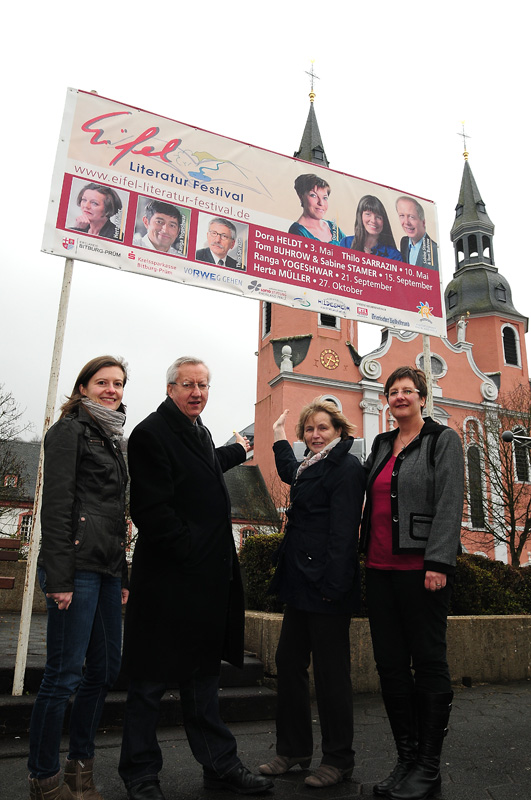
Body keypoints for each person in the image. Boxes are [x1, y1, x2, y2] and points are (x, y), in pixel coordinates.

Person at [118, 357, 273, 800]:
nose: (197, 392)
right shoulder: (150, 433)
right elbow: (152, 512)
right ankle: (141, 775)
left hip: (205, 585)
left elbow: (204, 466)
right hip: (169, 582)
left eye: (203, 385)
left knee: (203, 681)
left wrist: (239, 451)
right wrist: (192, 552)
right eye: (188, 385)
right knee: (148, 685)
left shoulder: (200, 431)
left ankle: (220, 765)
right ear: (170, 389)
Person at [28, 356, 129, 800]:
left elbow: (116, 514)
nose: (112, 390)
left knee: (105, 668)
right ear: (83, 387)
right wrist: (59, 579)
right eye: (103, 382)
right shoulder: (69, 430)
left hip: (107, 568)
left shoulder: (112, 436)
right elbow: (56, 506)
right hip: (76, 570)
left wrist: (123, 572)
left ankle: (80, 767)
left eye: (119, 383)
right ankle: (44, 777)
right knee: (63, 674)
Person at [359, 366, 464, 800]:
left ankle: (428, 766)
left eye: (408, 391)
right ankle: (405, 759)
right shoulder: (383, 444)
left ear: (423, 397)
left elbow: (450, 500)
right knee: (390, 665)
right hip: (379, 571)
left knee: (429, 663)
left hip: (422, 572)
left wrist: (438, 561)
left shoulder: (442, 440)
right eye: (394, 391)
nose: (400, 397)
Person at [259, 398, 366, 788]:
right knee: (288, 662)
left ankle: (338, 759)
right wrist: (277, 438)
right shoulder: (309, 465)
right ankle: (294, 750)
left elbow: (344, 533)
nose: (315, 435)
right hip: (300, 580)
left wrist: (334, 588)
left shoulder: (347, 467)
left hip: (327, 584)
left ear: (339, 431)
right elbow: (290, 472)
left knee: (330, 673)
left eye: (323, 428)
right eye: (309, 429)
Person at [340, 195, 402, 260]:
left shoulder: (394, 255)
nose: (373, 221)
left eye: (378, 217)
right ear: (360, 217)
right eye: (368, 214)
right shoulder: (346, 243)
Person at [289, 174, 344, 244]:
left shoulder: (333, 228)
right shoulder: (297, 231)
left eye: (325, 198)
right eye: (313, 195)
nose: (321, 203)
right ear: (301, 197)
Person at [396, 196, 439, 270]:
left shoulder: (434, 251)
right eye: (402, 215)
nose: (406, 222)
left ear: (423, 222)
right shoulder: (404, 241)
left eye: (411, 217)